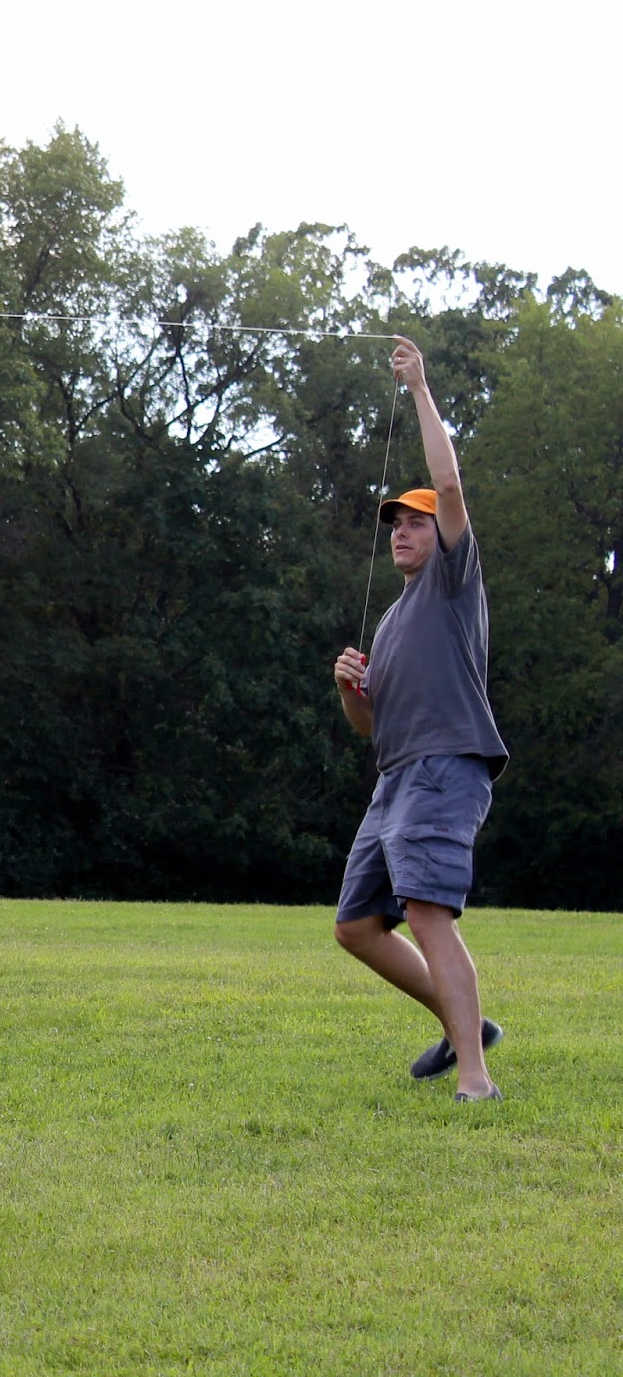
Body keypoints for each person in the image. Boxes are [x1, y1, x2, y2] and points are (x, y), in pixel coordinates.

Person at [331, 336, 508, 1102]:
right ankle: (464, 1021)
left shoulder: (452, 580)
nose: (401, 529)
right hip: (395, 780)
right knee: (357, 925)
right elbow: (369, 729)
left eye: (415, 521)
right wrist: (349, 689)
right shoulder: (397, 619)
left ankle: (475, 1076)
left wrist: (419, 389)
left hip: (447, 768)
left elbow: (448, 480)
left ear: (440, 533)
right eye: (394, 523)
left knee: (430, 912)